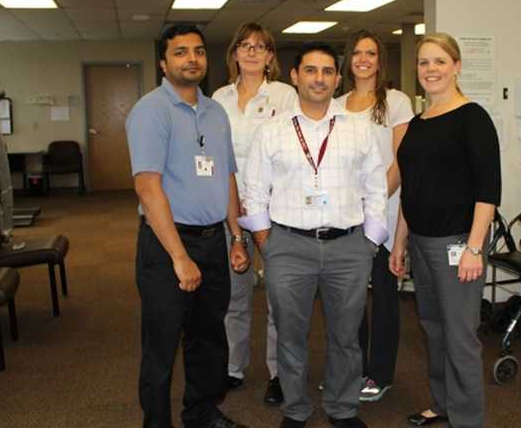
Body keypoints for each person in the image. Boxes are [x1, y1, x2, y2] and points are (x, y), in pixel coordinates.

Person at [240, 41, 388, 428]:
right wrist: (266, 244)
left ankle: (342, 408)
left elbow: (376, 188)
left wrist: (369, 242)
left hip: (348, 246)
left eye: (326, 71)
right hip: (287, 246)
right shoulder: (271, 131)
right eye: (310, 70)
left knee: (346, 336)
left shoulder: (359, 130)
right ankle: (296, 410)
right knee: (290, 335)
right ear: (294, 76)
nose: (318, 79)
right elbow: (253, 191)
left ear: (337, 79)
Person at [126, 22, 250, 428]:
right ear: (164, 62)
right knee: (162, 345)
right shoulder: (150, 110)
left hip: (215, 240)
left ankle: (200, 414)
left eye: (198, 51)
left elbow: (226, 177)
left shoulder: (216, 112)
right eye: (180, 52)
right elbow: (147, 187)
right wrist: (179, 257)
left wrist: (236, 237)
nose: (192, 58)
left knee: (208, 339)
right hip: (168, 246)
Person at [390, 33, 501, 428]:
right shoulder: (418, 124)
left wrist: (474, 248)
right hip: (420, 241)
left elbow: (488, 191)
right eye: (423, 62)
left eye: (439, 61)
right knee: (433, 330)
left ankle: (467, 420)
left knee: (460, 336)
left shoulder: (473, 117)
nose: (430, 70)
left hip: (457, 243)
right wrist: (399, 242)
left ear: (456, 66)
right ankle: (443, 404)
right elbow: (411, 188)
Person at [212, 22, 297, 405]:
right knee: (234, 293)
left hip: (274, 210)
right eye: (243, 45)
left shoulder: (285, 95)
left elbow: (295, 151)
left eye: (259, 47)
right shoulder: (218, 98)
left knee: (279, 297)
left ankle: (279, 373)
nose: (250, 52)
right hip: (231, 209)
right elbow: (215, 158)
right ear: (234, 54)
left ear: (269, 57)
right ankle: (232, 368)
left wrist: (262, 196)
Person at [337, 29, 414, 402]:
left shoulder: (396, 102)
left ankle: (379, 374)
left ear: (380, 60)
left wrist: (372, 201)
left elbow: (402, 161)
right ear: (348, 59)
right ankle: (352, 369)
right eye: (357, 52)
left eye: (371, 53)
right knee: (349, 299)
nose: (363, 59)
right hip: (345, 216)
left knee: (383, 297)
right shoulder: (336, 104)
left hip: (384, 212)